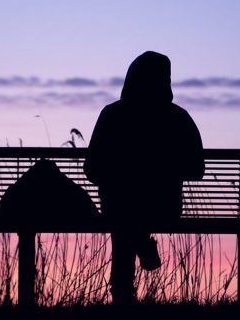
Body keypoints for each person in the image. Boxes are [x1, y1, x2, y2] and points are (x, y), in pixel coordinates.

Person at [85, 51, 205, 304]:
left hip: (118, 206)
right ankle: (139, 247)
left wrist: (123, 173)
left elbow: (92, 169)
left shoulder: (112, 114)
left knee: (123, 218)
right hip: (164, 206)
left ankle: (122, 292)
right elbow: (197, 168)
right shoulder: (177, 117)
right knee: (127, 217)